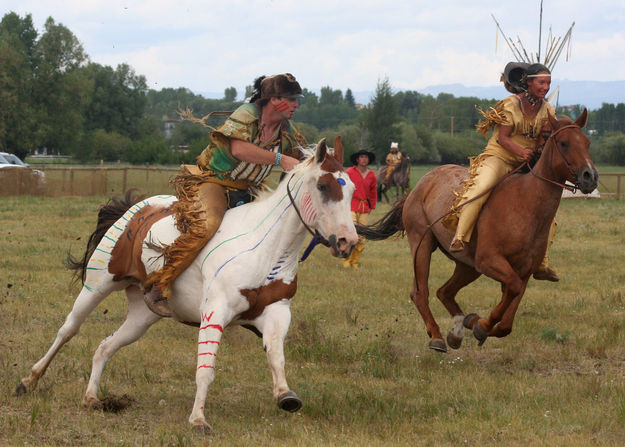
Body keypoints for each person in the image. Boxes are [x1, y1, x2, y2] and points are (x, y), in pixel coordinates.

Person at [144, 73, 307, 316]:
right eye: (291, 99)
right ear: (274, 99)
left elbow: (300, 159)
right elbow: (239, 149)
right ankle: (159, 284)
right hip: (214, 182)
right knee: (206, 225)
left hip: (248, 190)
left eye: (297, 100)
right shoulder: (246, 114)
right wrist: (281, 159)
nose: (296, 105)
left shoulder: (288, 131)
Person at [444, 62, 559, 282]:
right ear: (528, 82)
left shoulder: (548, 110)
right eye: (542, 82)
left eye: (548, 83)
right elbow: (502, 138)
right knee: (480, 187)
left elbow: (544, 138)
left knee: (549, 210)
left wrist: (537, 153)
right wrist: (521, 151)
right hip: (500, 156)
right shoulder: (509, 105)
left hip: (528, 162)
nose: (546, 87)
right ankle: (460, 237)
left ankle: (542, 263)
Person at [343, 149, 377, 268]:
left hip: (364, 208)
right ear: (357, 159)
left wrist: (372, 205)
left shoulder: (372, 175)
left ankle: (355, 262)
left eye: (366, 157)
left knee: (361, 236)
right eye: (361, 157)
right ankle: (347, 261)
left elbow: (373, 192)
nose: (364, 159)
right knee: (351, 234)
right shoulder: (349, 172)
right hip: (351, 206)